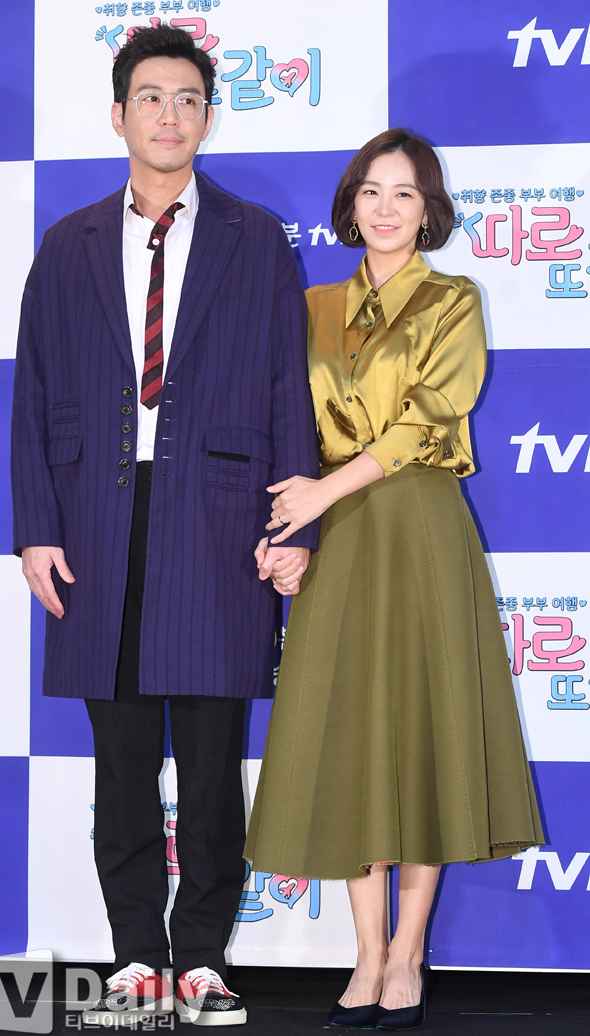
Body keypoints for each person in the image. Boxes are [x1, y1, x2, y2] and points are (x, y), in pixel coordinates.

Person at [11, 24, 320, 1028]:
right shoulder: (68, 245)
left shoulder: (253, 238)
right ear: (118, 115)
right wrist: (36, 527)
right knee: (122, 759)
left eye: (188, 99)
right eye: (151, 97)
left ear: (207, 116)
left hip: (220, 521)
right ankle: (137, 956)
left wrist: (293, 524)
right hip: (97, 526)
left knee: (213, 756)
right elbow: (32, 394)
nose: (170, 115)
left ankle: (203, 960)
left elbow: (286, 389)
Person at [246, 128, 544, 1031]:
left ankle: (408, 951)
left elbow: (428, 419)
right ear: (350, 205)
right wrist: (286, 530)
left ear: (429, 210)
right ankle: (367, 952)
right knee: (352, 738)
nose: (385, 208)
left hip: (417, 526)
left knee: (422, 733)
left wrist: (321, 494)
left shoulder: (454, 299)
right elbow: (284, 424)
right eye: (371, 191)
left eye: (404, 193)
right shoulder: (309, 306)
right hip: (337, 537)